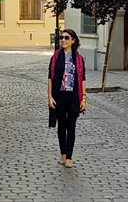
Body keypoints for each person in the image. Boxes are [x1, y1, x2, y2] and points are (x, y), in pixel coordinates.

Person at [47, 29, 86, 168]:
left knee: (71, 126)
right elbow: (50, 78)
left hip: (74, 96)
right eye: (61, 38)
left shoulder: (79, 58)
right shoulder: (56, 57)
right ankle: (63, 154)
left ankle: (69, 157)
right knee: (61, 126)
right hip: (59, 96)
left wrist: (84, 99)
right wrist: (50, 96)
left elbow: (83, 80)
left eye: (66, 38)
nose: (63, 40)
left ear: (73, 40)